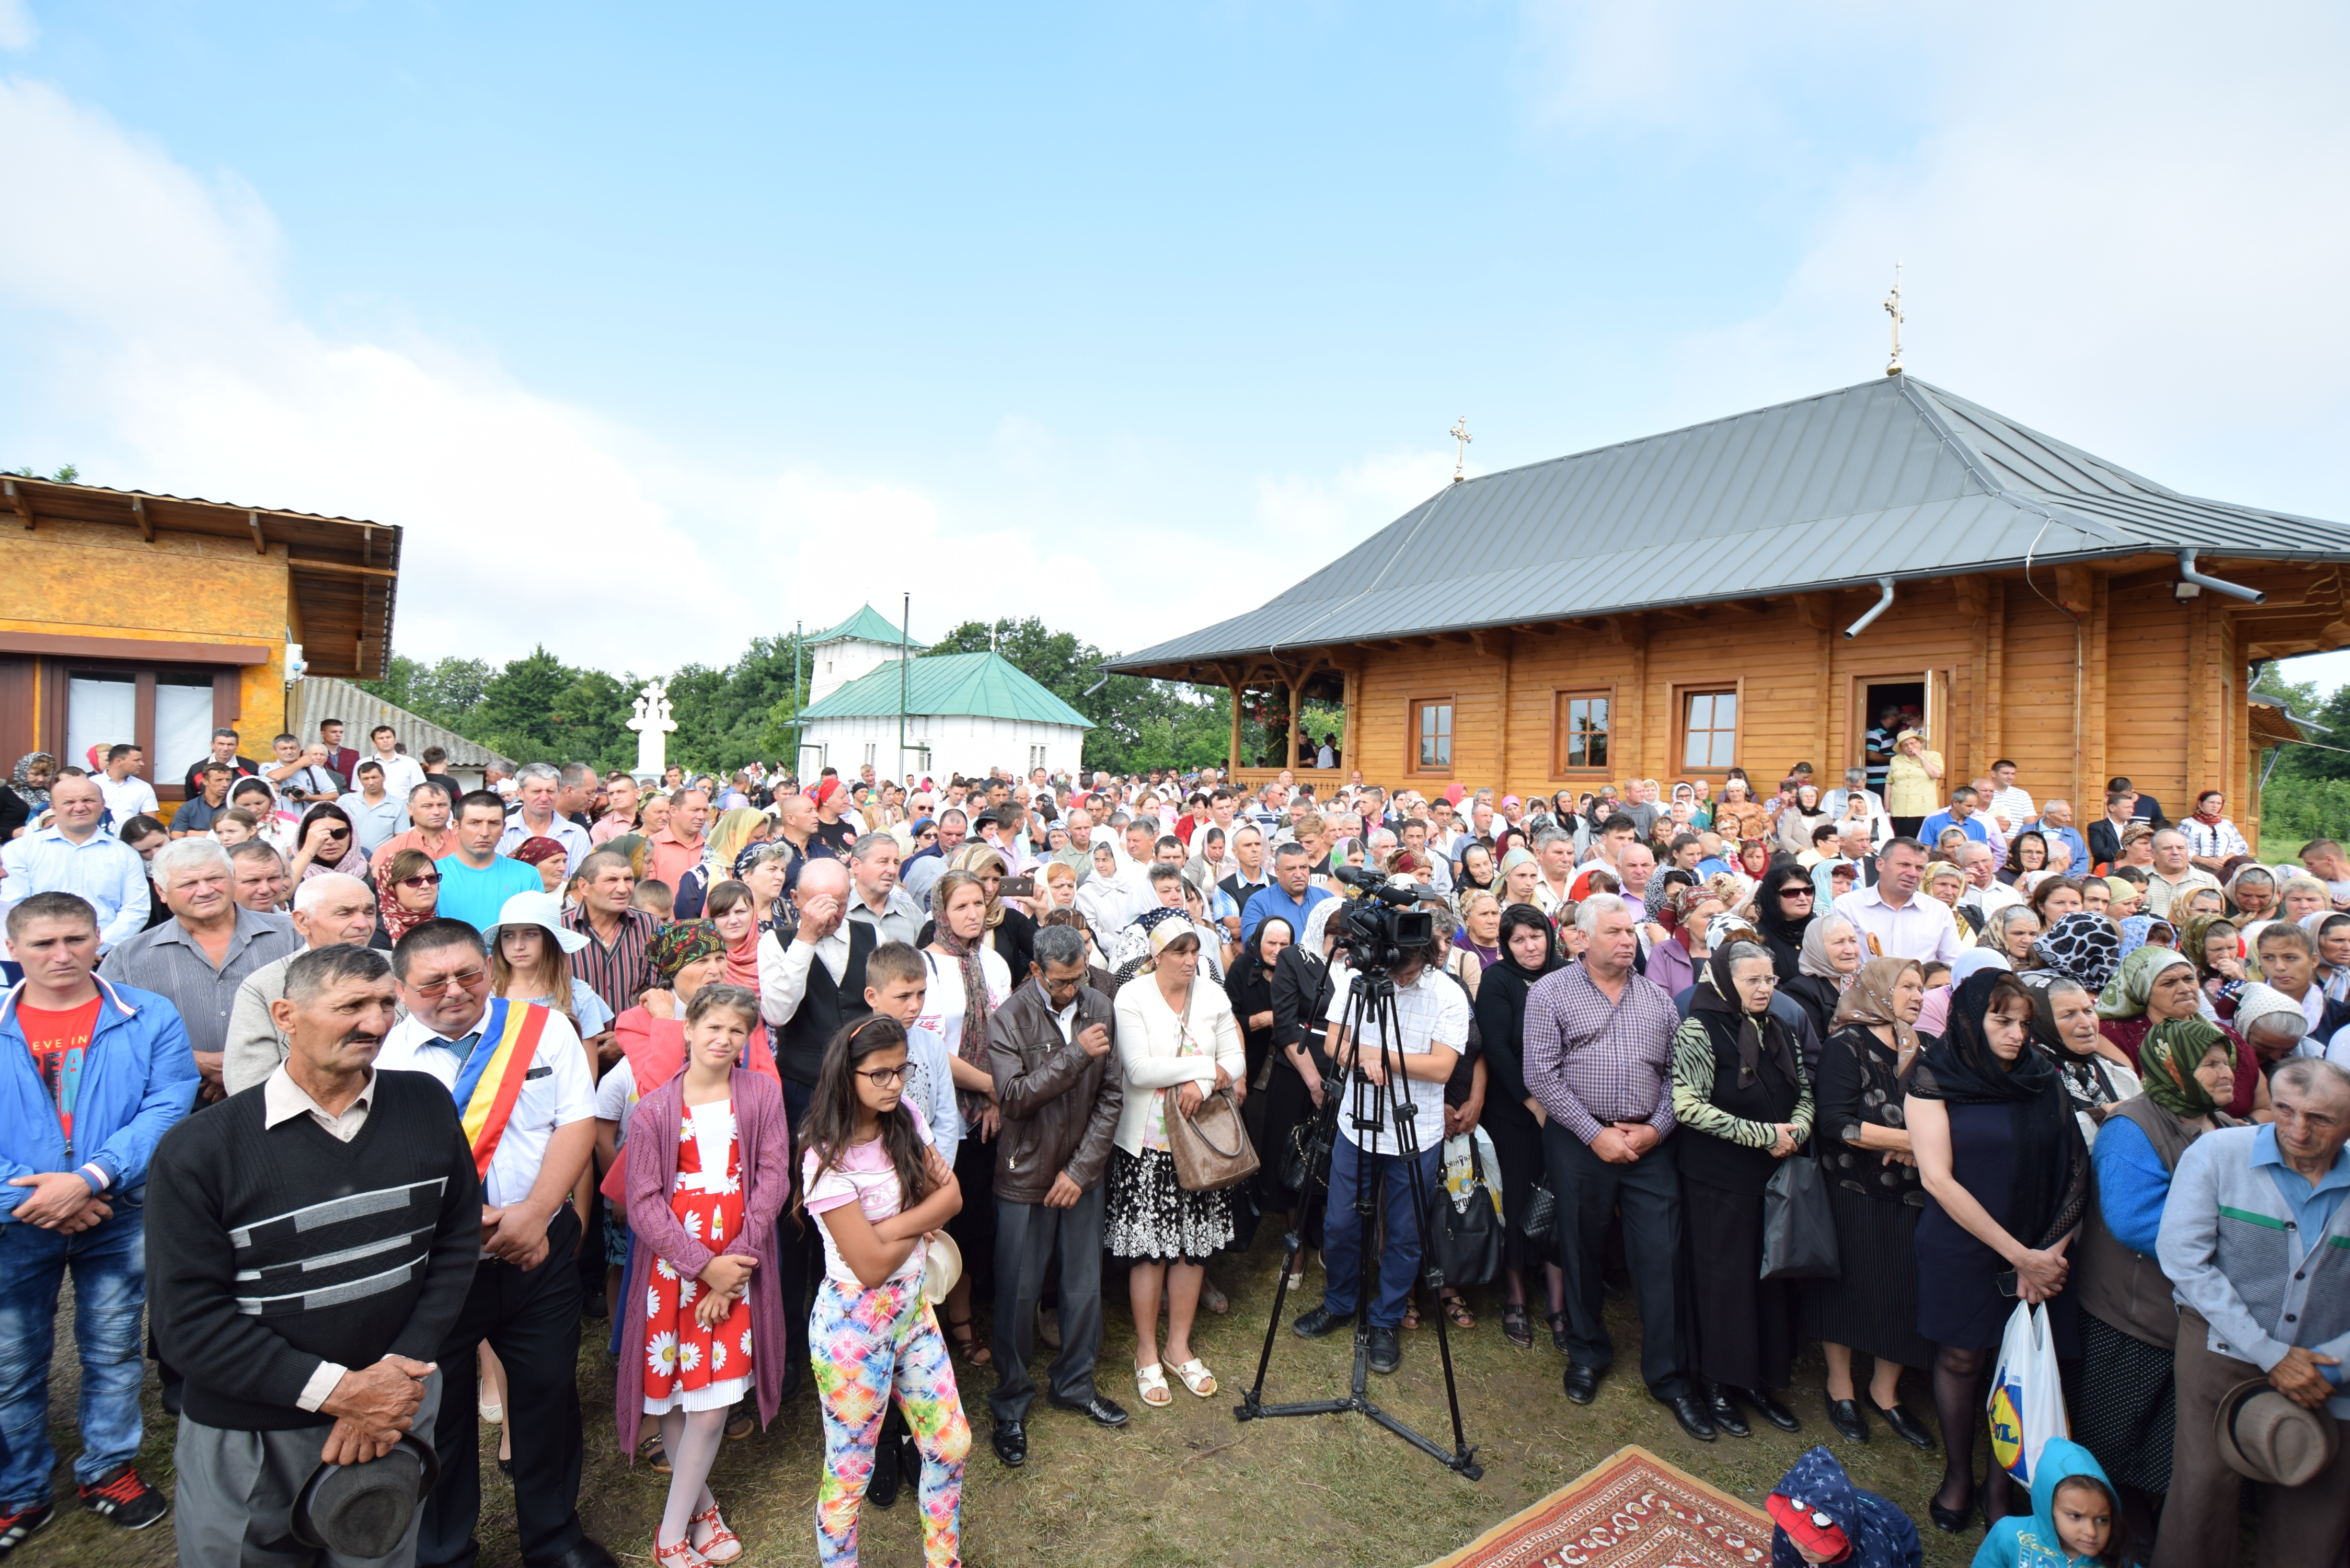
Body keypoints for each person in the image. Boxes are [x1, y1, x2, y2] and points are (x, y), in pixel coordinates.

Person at [146, 944, 479, 1568]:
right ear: (285, 1015)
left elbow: (456, 1242)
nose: (376, 1023)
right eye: (351, 1005)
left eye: (385, 1003)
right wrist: (339, 1393)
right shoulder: (201, 1149)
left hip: (394, 1409)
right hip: (254, 1431)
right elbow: (186, 1323)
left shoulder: (426, 1104)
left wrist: (390, 1378)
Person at [376, 919, 609, 1568]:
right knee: (439, 1415)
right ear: (400, 989)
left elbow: (576, 1120)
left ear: (488, 967)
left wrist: (536, 1216)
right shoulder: (383, 1060)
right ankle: (445, 1549)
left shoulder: (543, 1029)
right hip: (435, 1272)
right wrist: (459, 1236)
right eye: (433, 982)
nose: (455, 991)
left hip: (538, 1251)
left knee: (547, 1394)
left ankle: (554, 1536)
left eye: (469, 975)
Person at [0, 892, 195, 1541]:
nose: (62, 955)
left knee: (112, 1348)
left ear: (98, 941)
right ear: (13, 948)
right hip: (13, 1222)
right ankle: (20, 1488)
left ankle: (108, 1467)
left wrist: (90, 1179)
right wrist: (27, 1198)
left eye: (76, 939)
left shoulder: (147, 1015)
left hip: (116, 1211)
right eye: (44, 943)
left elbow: (167, 1105)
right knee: (11, 1359)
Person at [1520, 895, 1711, 1435]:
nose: (1627, 940)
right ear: (1580, 938)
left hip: (1649, 1144)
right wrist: (1593, 1134)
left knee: (1660, 1255)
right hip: (1580, 1141)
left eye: (1630, 932)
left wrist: (1654, 1129)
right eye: (1614, 932)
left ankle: (1670, 1377)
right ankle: (1586, 1354)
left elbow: (1681, 1075)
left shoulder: (1656, 998)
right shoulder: (1549, 993)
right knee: (1578, 1250)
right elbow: (1541, 1075)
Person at [1906, 969, 2087, 1534]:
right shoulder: (1932, 1078)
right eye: (2000, 1020)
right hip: (1963, 1247)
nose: (2014, 1035)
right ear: (1967, 1018)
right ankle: (1958, 1475)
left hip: (2039, 1249)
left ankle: (2001, 1483)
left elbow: (2076, 1169)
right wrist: (2018, 1256)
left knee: (2024, 1365)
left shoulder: (2042, 1077)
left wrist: (2047, 1253)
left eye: (2024, 1023)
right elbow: (1938, 1179)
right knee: (1962, 1360)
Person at [2153, 1057, 2350, 1567]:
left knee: (2315, 1500)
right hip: (2221, 1348)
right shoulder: (2218, 1154)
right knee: (2200, 1494)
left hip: (2328, 1370)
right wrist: (2270, 1354)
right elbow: (2183, 1259)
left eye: (2319, 1119)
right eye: (2283, 1110)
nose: (2296, 1130)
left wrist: (2330, 1362)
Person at [616, 983, 787, 1567]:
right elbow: (642, 1203)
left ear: (748, 1039)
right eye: (712, 1026)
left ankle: (671, 1530)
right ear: (687, 1029)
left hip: (739, 1260)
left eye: (737, 1031)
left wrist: (733, 1267)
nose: (724, 1039)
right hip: (675, 1265)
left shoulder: (763, 1094)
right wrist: (702, 1268)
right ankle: (695, 1518)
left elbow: (772, 1180)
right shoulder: (654, 1109)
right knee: (674, 1397)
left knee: (713, 1406)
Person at [796, 1014, 970, 1568]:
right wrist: (921, 1217)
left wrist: (894, 1227)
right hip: (852, 1325)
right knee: (850, 1470)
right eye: (879, 1074)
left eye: (901, 1070)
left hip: (913, 1308)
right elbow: (867, 1268)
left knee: (949, 1444)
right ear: (846, 1076)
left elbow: (953, 1199)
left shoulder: (906, 1120)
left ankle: (943, 1561)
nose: (894, 1084)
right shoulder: (824, 1157)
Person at [2070, 1013, 2236, 1564]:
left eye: (2224, 1061)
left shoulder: (2221, 1125)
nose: (2224, 1071)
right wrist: (2233, 1234)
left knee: (2170, 1440)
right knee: (2118, 1434)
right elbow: (2133, 1220)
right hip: (2133, 1311)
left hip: (2186, 1317)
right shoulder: (2133, 1127)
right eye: (2209, 1062)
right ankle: (2117, 1532)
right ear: (2173, 1065)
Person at [983, 924, 1126, 1466]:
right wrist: (1074, 1055)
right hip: (1023, 1176)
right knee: (1019, 1294)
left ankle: (1074, 1383)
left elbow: (1112, 1095)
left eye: (1081, 977)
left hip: (1080, 1175)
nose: (1074, 990)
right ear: (1037, 971)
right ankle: (1011, 1401)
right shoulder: (1009, 1018)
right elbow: (1015, 1098)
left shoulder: (1098, 1004)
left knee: (1083, 1285)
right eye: (1063, 982)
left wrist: (1080, 1170)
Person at [1671, 941, 1811, 1438]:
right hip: (1717, 1181)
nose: (1764, 989)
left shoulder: (1781, 1029)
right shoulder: (1699, 1028)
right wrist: (1763, 1135)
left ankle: (1756, 1381)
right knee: (1722, 1284)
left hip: (1770, 1179)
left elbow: (1805, 1092)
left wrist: (1796, 1130)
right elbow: (1687, 1106)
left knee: (1767, 1282)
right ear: (1726, 981)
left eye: (1769, 979)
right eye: (1753, 980)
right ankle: (1717, 1384)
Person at [1109, 921, 1245, 1404]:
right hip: (1149, 1144)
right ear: (1157, 954)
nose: (1189, 960)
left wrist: (1202, 1087)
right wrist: (1208, 1070)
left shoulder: (1212, 995)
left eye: (1194, 951)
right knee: (1150, 1251)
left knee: (1193, 1248)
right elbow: (1140, 1069)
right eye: (1178, 951)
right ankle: (1147, 1352)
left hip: (1202, 1139)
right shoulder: (1132, 996)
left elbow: (1237, 1058)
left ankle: (1178, 1348)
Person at [101, 838, 299, 1105]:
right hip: (177, 1107)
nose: (205, 891)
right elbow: (109, 1037)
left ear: (231, 878)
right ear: (161, 891)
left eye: (215, 878)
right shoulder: (128, 958)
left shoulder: (292, 937)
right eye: (188, 884)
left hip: (284, 1095)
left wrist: (244, 1071)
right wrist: (198, 1063)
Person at [219, 871, 379, 1096]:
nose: (362, 924)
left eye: (369, 912)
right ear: (302, 922)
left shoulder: (403, 969)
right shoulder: (265, 986)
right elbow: (249, 1085)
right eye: (344, 913)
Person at [0, 774, 152, 949]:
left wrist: (97, 947)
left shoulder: (126, 854)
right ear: (53, 808)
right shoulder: (20, 850)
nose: (79, 808)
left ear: (103, 805)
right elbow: (13, 906)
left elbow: (135, 910)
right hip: (39, 952)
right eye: (69, 802)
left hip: (105, 954)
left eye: (88, 800)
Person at [1972, 1438, 2126, 1568]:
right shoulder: (2008, 1534)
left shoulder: (2120, 1561)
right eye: (2076, 1516)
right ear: (2048, 1507)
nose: (2092, 1532)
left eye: (2102, 1520)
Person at [563, 847, 659, 1024]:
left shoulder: (650, 925)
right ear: (584, 886)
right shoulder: (559, 927)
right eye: (611, 880)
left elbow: (658, 990)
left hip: (633, 1041)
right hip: (574, 1041)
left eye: (628, 879)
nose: (623, 889)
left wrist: (626, 1035)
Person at [1833, 837, 1961, 965]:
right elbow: (1835, 959)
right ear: (1880, 865)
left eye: (1920, 868)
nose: (1912, 873)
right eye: (1904, 865)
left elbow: (1952, 963)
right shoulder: (1847, 906)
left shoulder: (1939, 911)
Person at [433, 790, 546, 933]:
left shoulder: (527, 875)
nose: (484, 832)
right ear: (456, 827)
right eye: (475, 823)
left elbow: (534, 932)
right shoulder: (432, 877)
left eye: (493, 823)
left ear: (503, 828)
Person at [499, 763, 593, 880]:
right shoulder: (502, 830)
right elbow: (496, 878)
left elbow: (581, 883)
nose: (544, 798)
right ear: (521, 793)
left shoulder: (577, 834)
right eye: (537, 792)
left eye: (550, 791)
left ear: (558, 793)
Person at [1240, 840, 1331, 943]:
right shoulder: (1258, 904)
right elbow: (1253, 949)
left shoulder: (1327, 900)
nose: (1298, 874)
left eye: (1303, 867)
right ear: (1277, 871)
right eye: (1291, 869)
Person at [338, 759, 407, 857]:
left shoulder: (399, 805)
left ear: (384, 777)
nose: (371, 783)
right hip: (349, 859)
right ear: (360, 781)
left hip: (382, 860)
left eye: (375, 777)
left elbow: (401, 839)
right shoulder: (346, 800)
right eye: (366, 779)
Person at [1882, 731, 1943, 839]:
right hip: (1900, 809)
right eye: (1906, 745)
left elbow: (1936, 774)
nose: (1910, 747)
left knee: (1922, 841)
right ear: (1901, 748)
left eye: (1913, 743)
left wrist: (1921, 757)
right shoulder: (1895, 760)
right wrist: (1887, 804)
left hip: (1923, 808)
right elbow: (1889, 782)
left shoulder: (1933, 756)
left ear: (1919, 742)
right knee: (1903, 841)